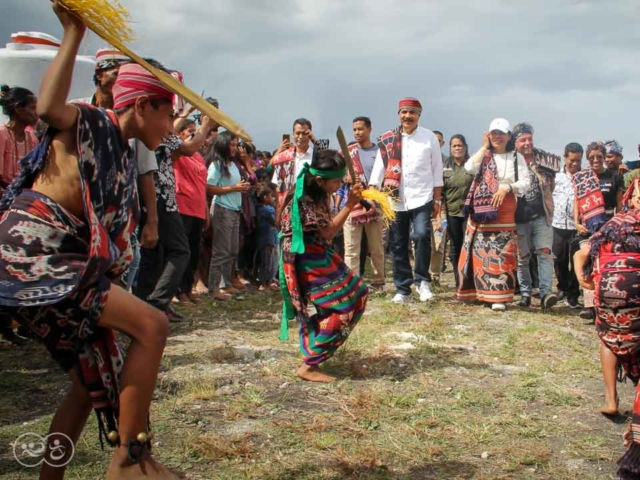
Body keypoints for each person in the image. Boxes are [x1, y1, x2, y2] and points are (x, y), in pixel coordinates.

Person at [0, 3, 179, 478]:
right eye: (167, 115)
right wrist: (73, 32)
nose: (171, 128)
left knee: (88, 382)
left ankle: (51, 476)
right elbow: (49, 108)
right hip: (34, 255)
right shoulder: (89, 121)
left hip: (66, 263)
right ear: (142, 106)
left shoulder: (124, 157)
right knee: (152, 325)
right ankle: (129, 461)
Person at [278, 149, 368, 383]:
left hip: (322, 255)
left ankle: (315, 344)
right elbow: (328, 232)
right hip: (308, 260)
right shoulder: (302, 199)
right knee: (343, 308)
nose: (340, 184)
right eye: (337, 181)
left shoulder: (318, 193)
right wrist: (350, 205)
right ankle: (310, 364)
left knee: (359, 293)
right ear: (320, 180)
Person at [574, 179, 640, 479]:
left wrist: (585, 282)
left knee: (608, 337)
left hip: (609, 291)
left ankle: (611, 400)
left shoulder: (616, 222)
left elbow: (581, 254)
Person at [369, 97, 444, 303]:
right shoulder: (388, 139)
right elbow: (379, 167)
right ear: (399, 114)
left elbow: (437, 170)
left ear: (419, 115)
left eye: (412, 112)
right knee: (397, 243)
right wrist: (373, 188)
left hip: (422, 196)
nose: (407, 116)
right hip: (395, 199)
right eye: (404, 112)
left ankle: (422, 281)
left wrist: (437, 201)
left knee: (421, 235)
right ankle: (403, 289)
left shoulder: (429, 138)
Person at [456, 118, 531, 311]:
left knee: (503, 251)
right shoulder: (485, 155)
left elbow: (525, 182)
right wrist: (483, 148)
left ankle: (499, 296)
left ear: (508, 136)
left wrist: (506, 187)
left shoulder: (516, 157)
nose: (497, 137)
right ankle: (481, 293)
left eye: (501, 133)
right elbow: (469, 168)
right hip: (482, 210)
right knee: (482, 249)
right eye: (494, 133)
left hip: (505, 207)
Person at [0, 84, 39, 345]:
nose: (37, 112)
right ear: (18, 109)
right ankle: (6, 325)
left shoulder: (32, 138)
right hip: (5, 206)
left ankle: (23, 322)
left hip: (23, 207)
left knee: (24, 267)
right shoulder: (2, 136)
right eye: (32, 107)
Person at [573, 141, 624, 320]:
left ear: (604, 157)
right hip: (588, 227)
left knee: (604, 266)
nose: (596, 160)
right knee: (587, 262)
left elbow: (620, 205)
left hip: (608, 228)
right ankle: (589, 307)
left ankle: (604, 304)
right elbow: (577, 201)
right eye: (592, 157)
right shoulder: (582, 177)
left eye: (599, 157)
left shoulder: (615, 177)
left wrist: (619, 224)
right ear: (587, 158)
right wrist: (576, 223)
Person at [511, 122, 559, 310]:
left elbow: (551, 184)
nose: (527, 143)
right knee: (522, 257)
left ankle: (546, 292)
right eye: (523, 140)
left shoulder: (544, 160)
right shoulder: (510, 161)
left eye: (530, 139)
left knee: (545, 253)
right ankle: (525, 293)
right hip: (519, 217)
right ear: (515, 142)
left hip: (541, 215)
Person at [337, 116, 386, 290]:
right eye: (354, 130)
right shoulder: (346, 152)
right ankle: (353, 284)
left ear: (369, 129)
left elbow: (385, 177)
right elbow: (336, 175)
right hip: (352, 204)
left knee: (376, 247)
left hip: (374, 203)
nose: (357, 133)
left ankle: (378, 282)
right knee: (351, 247)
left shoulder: (380, 153)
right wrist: (346, 177)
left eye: (360, 129)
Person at [207, 131, 251, 300]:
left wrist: (241, 188)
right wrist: (234, 189)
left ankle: (226, 283)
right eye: (231, 145)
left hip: (234, 210)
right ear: (223, 145)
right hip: (222, 209)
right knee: (221, 251)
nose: (234, 148)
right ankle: (214, 288)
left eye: (235, 145)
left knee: (232, 250)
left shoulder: (232, 164)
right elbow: (208, 187)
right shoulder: (217, 164)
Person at [172, 118, 209, 304]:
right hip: (182, 206)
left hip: (198, 209)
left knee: (195, 252)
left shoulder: (199, 156)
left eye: (197, 132)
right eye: (191, 132)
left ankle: (187, 288)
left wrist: (206, 210)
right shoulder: (178, 152)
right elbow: (169, 131)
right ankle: (178, 291)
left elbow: (202, 185)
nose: (196, 136)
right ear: (180, 134)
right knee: (182, 251)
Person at [552, 143, 582, 309]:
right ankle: (562, 288)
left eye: (578, 160)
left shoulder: (584, 177)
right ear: (565, 158)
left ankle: (573, 294)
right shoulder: (555, 175)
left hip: (576, 226)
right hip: (557, 223)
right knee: (559, 259)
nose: (575, 164)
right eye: (572, 160)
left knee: (576, 262)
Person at [442, 134, 473, 287]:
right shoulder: (445, 165)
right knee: (455, 246)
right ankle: (458, 280)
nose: (457, 148)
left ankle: (470, 280)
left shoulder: (472, 165)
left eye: (460, 145)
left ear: (465, 147)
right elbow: (440, 190)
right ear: (450, 148)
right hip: (451, 212)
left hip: (469, 213)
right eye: (454, 146)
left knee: (469, 246)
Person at [271, 118, 316, 204]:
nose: (301, 137)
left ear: (310, 134)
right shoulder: (283, 158)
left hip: (310, 205)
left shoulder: (316, 156)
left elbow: (327, 156)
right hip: (287, 207)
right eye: (298, 133)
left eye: (304, 133)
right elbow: (277, 188)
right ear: (293, 134)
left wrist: (314, 140)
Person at [430, 129, 448, 285]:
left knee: (438, 244)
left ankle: (435, 276)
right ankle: (422, 276)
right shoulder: (420, 160)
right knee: (419, 242)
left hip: (441, 209)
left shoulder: (447, 163)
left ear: (442, 144)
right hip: (421, 207)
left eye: (439, 141)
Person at [255, 184, 279, 290]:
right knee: (268, 260)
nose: (272, 198)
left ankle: (269, 280)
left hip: (270, 238)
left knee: (271, 260)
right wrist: (277, 204)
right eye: (271, 196)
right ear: (265, 198)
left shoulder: (262, 208)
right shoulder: (267, 210)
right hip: (268, 238)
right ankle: (264, 282)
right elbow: (276, 221)